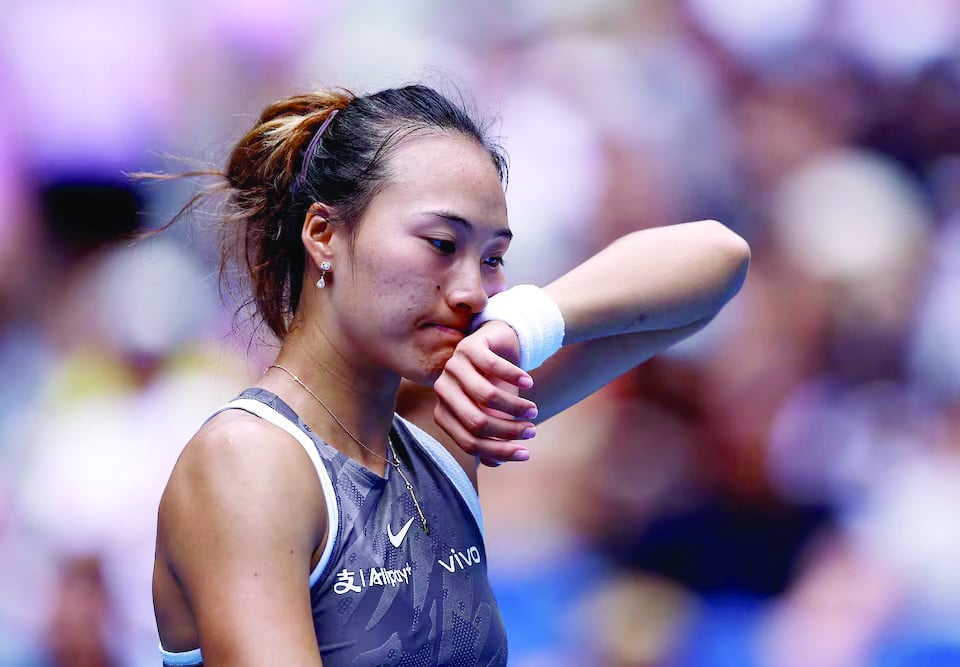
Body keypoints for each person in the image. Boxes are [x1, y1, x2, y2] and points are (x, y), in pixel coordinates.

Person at [151, 84, 750, 666]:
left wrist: (522, 323)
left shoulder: (440, 420)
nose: (471, 290)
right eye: (441, 243)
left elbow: (718, 261)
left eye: (493, 259)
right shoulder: (250, 458)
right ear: (323, 234)